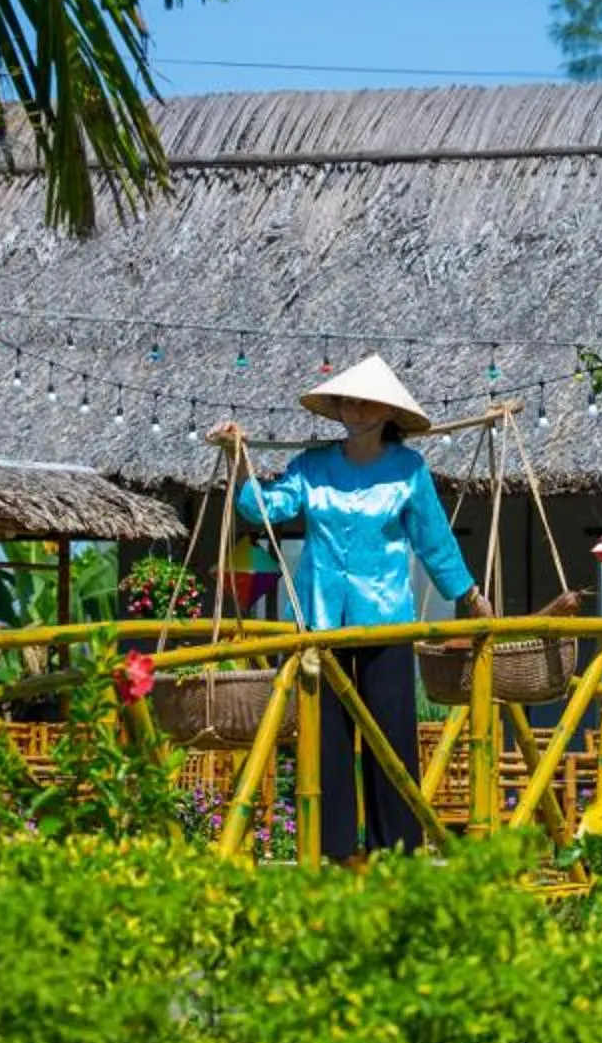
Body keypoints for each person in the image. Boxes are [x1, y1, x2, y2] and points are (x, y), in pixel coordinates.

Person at [208, 355, 488, 861]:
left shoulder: (408, 470)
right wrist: (239, 459)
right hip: (320, 621)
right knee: (324, 738)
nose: (354, 410)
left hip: (385, 622)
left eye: (365, 402)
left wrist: (468, 595)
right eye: (347, 401)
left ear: (387, 412)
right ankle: (330, 851)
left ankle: (395, 854)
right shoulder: (312, 467)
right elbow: (264, 510)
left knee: (389, 738)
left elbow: (434, 540)